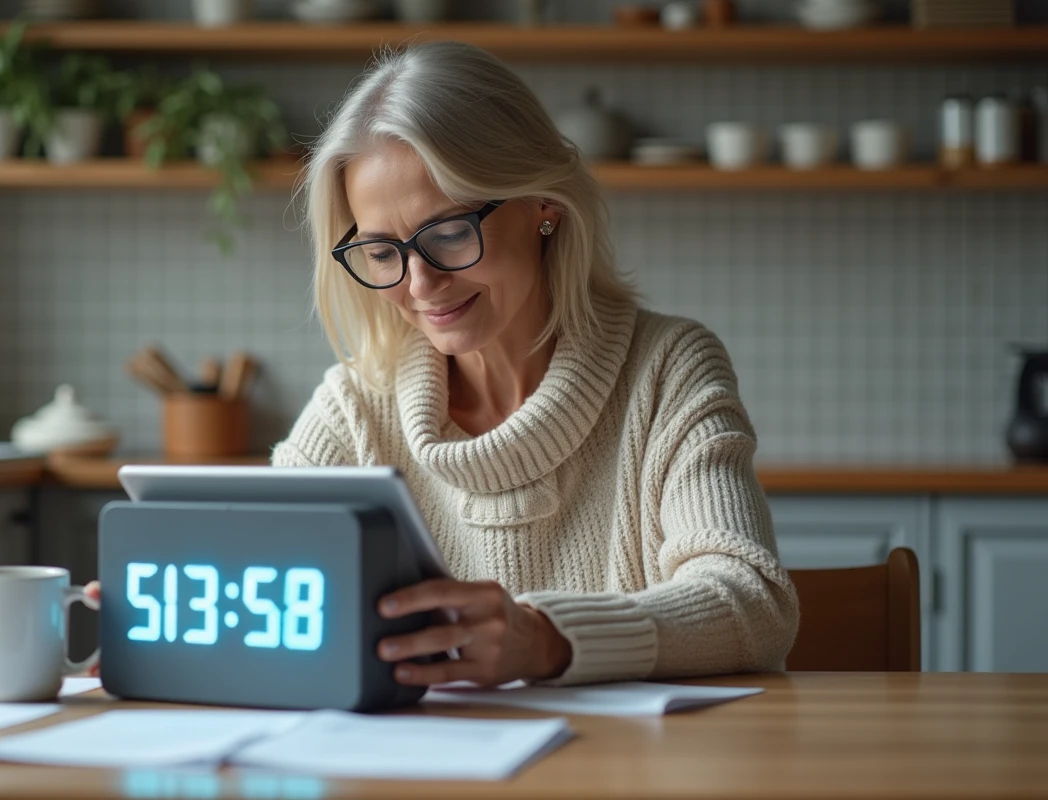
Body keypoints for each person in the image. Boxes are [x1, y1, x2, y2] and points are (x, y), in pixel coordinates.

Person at [268, 40, 799, 688]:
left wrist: (548, 640)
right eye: (382, 252)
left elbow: (751, 602)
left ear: (543, 203)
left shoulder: (667, 371)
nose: (420, 284)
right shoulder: (356, 404)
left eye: (450, 233)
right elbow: (259, 562)